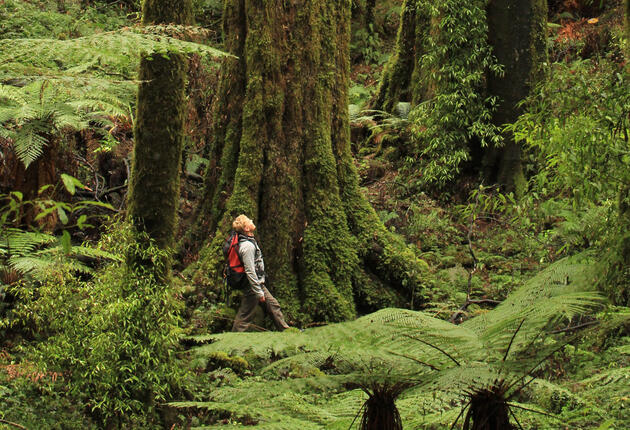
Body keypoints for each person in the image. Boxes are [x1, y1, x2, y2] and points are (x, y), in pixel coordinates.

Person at [230, 214, 290, 332]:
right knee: (244, 316)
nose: (252, 220)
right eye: (249, 221)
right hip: (252, 285)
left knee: (273, 306)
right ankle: (232, 342)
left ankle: (287, 331)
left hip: (257, 284)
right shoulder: (247, 246)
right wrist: (258, 291)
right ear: (246, 228)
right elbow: (250, 271)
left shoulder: (249, 240)